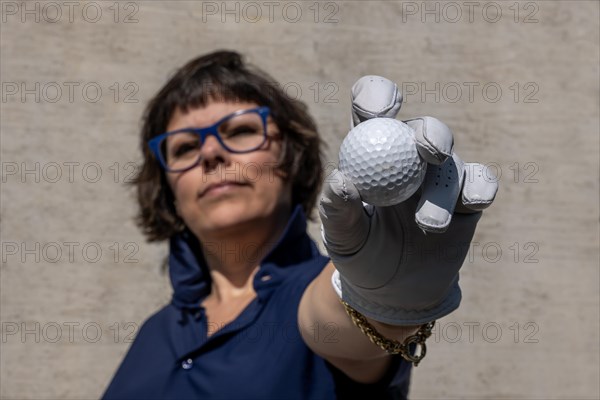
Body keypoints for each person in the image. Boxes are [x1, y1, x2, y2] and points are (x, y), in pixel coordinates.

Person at [102, 50, 497, 399]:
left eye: (240, 131)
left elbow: (335, 323)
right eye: (185, 147)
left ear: (291, 158)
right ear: (169, 188)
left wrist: (382, 299)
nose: (209, 152)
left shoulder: (317, 292)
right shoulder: (154, 333)